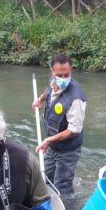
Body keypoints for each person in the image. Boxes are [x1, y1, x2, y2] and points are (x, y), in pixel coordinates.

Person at [32, 53, 87, 195]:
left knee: (62, 185)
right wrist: (40, 99)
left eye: (66, 75)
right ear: (52, 72)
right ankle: (47, 204)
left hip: (68, 149)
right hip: (52, 145)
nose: (63, 79)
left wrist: (48, 140)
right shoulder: (53, 80)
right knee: (44, 178)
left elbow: (74, 130)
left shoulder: (76, 98)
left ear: (71, 70)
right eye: (59, 75)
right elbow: (49, 89)